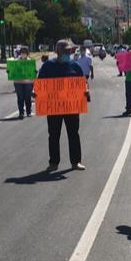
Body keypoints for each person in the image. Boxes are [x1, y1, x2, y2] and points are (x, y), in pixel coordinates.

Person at [37, 39, 88, 172]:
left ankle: (76, 161)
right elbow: (40, 82)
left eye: (69, 51)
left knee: (73, 134)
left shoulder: (75, 66)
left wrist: (86, 92)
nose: (68, 53)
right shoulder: (48, 66)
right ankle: (53, 162)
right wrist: (35, 93)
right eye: (65, 51)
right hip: (54, 108)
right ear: (58, 52)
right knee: (53, 134)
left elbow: (83, 83)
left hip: (71, 107)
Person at [13, 47, 34, 119]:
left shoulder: (30, 62)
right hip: (18, 82)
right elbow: (12, 70)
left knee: (28, 97)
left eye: (25, 52)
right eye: (22, 52)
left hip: (28, 82)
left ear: (27, 54)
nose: (23, 54)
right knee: (20, 97)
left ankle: (29, 111)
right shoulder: (15, 61)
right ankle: (21, 112)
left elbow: (32, 72)